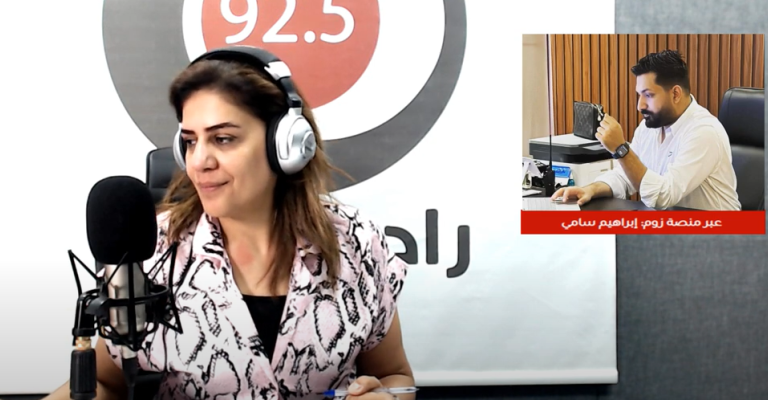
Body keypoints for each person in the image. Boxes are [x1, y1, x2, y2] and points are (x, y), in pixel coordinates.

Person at [43, 46, 413, 399]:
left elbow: (394, 375)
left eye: (222, 139)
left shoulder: (356, 243)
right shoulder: (151, 249)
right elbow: (105, 383)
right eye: (190, 141)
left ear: (285, 145)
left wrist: (387, 396)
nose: (198, 162)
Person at [552, 50, 741, 211]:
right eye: (639, 95)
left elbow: (663, 197)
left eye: (648, 95)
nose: (640, 105)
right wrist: (590, 189)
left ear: (675, 94)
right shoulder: (650, 126)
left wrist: (621, 149)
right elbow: (625, 176)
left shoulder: (704, 131)